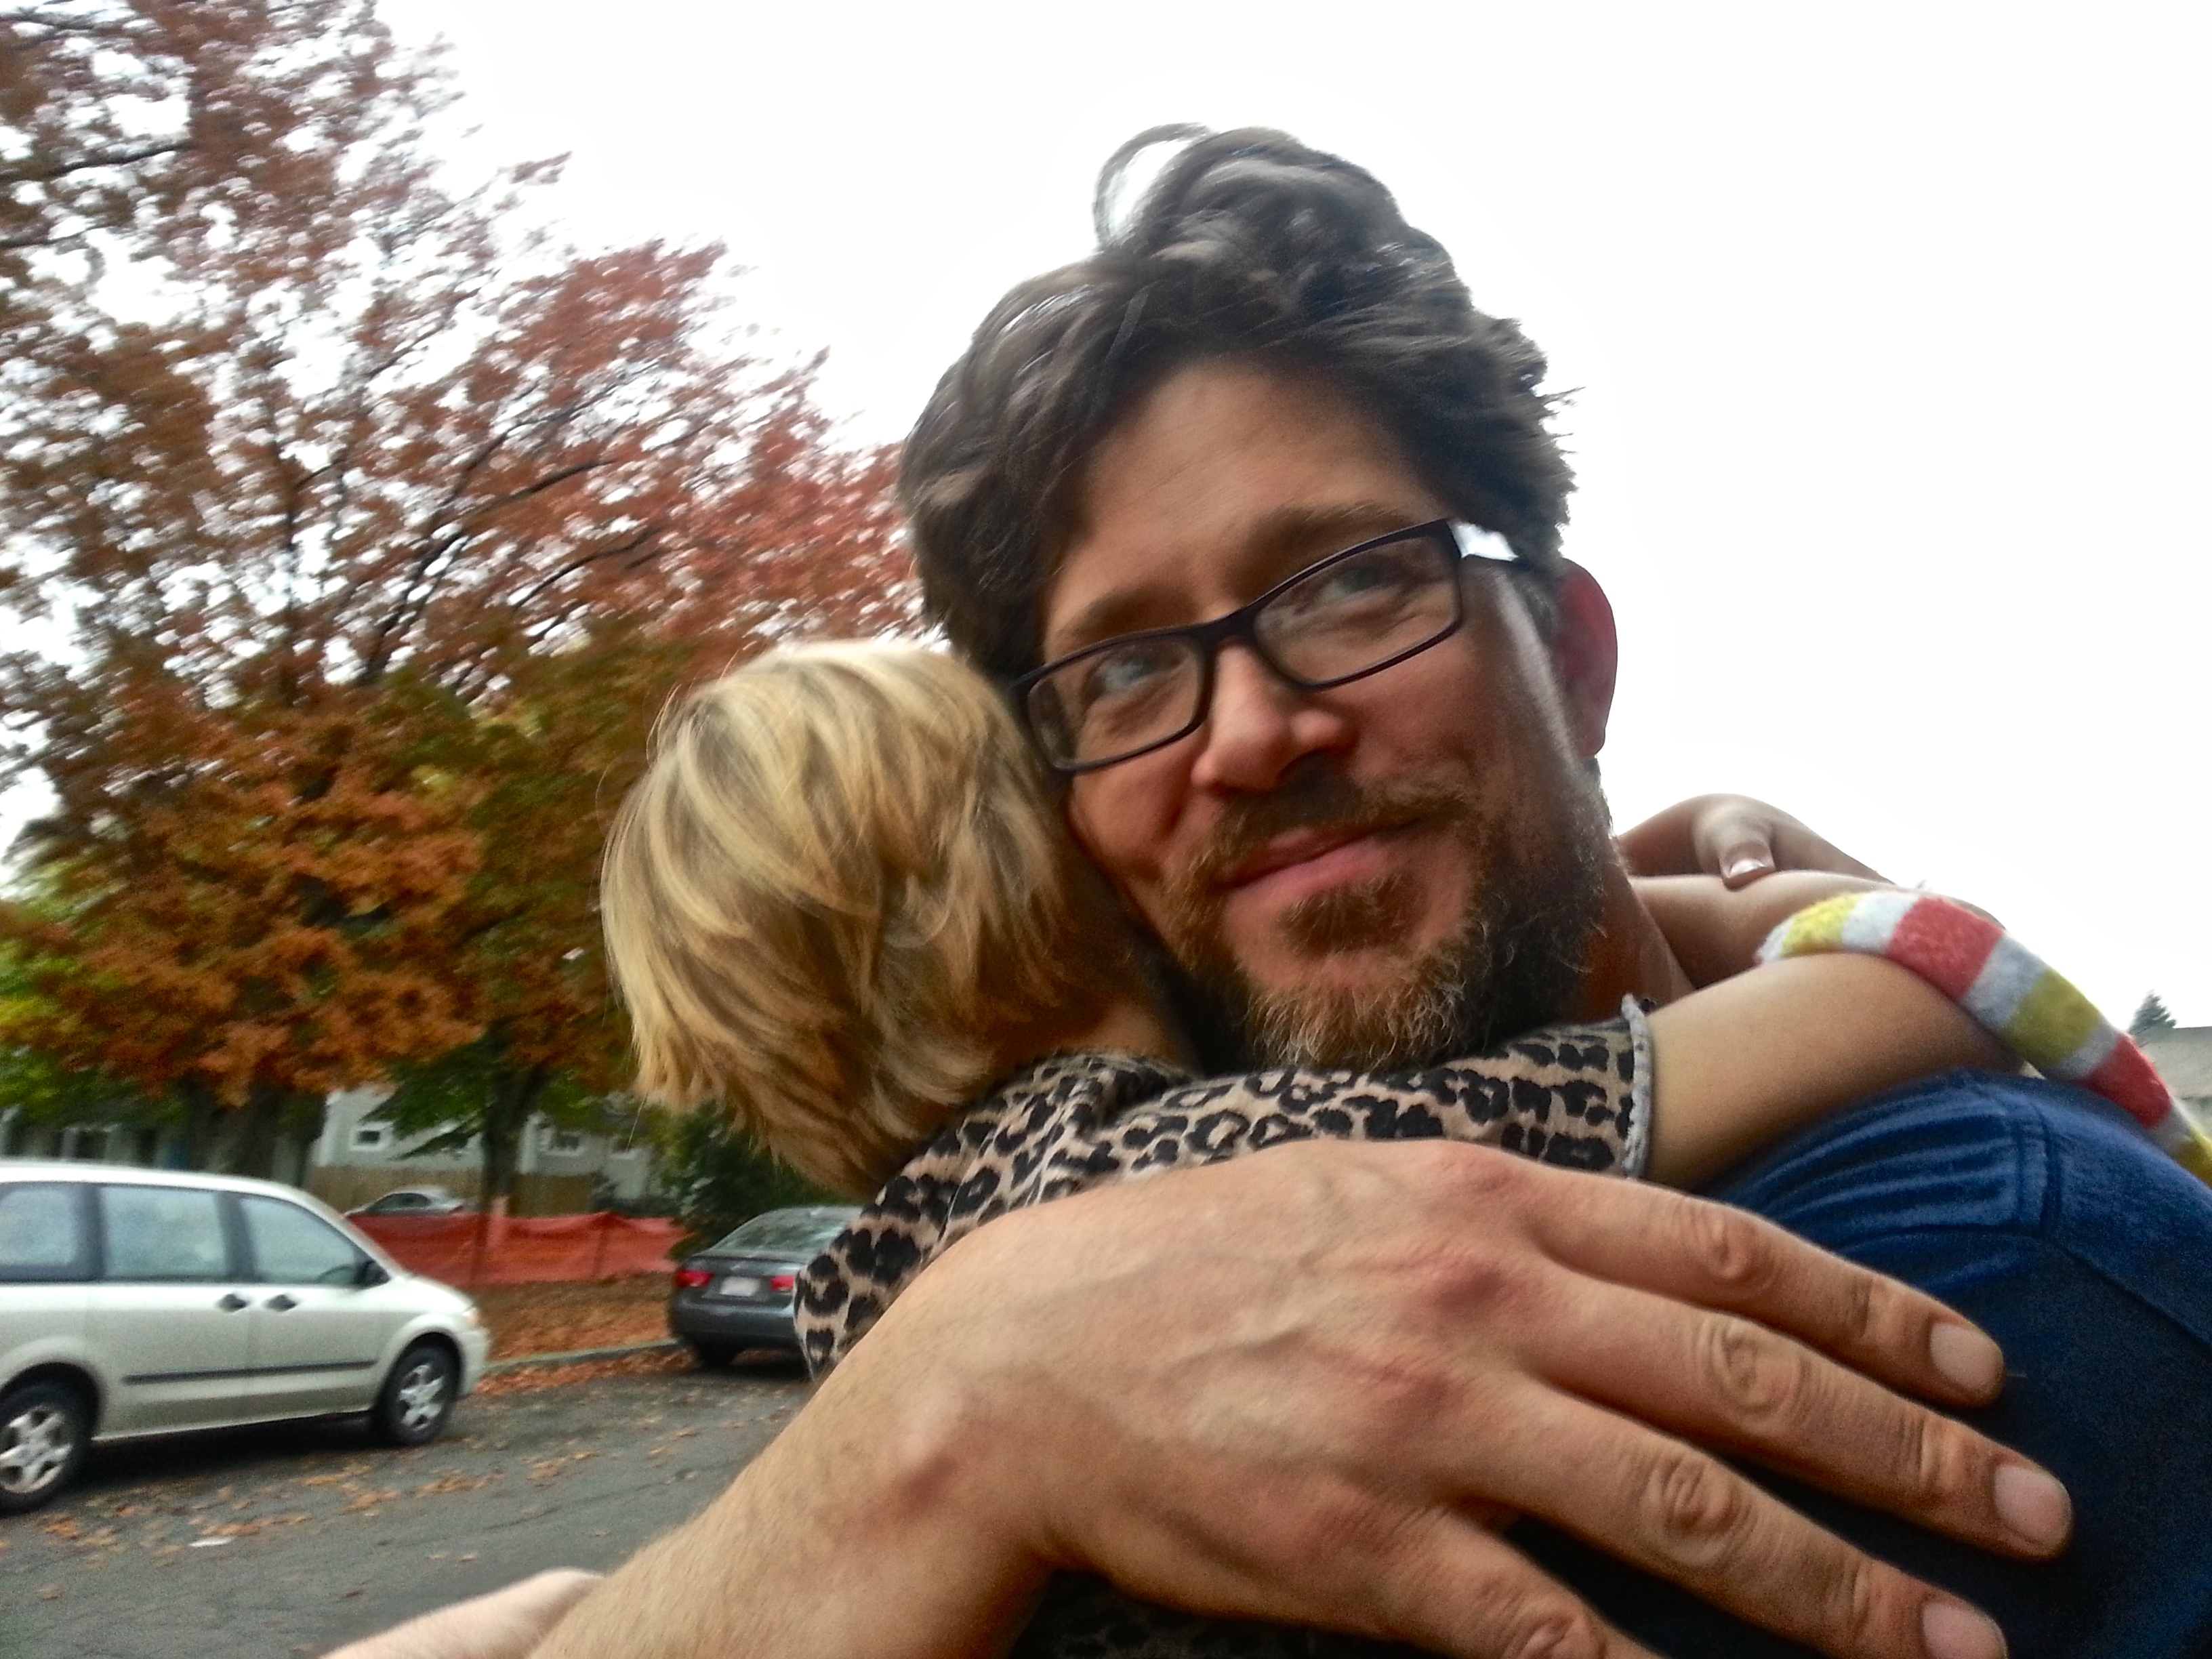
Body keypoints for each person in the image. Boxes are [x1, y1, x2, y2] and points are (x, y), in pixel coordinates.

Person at [441, 127, 2212, 1659]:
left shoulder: (1978, 1249)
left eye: (1354, 582)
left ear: (1575, 661)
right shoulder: (1096, 1274)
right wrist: (1874, 956)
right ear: (1073, 840)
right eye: (1124, 673)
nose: (1249, 735)